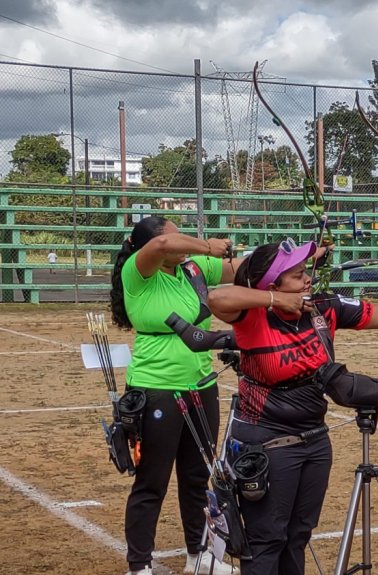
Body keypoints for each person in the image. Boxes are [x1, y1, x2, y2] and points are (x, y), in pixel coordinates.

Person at [207, 239, 378, 575]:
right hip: (267, 444)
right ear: (273, 285)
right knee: (265, 541)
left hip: (314, 440)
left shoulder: (322, 307)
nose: (307, 280)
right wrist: (277, 300)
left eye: (306, 272)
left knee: (297, 536)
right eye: (297, 275)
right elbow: (216, 297)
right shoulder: (253, 316)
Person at [110, 215, 239, 575]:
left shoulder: (193, 271)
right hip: (155, 388)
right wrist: (205, 244)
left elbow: (246, 268)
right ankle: (139, 565)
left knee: (198, 476)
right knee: (152, 479)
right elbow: (162, 245)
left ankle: (199, 555)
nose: (180, 241)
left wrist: (304, 255)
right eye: (177, 235)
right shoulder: (139, 273)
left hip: (201, 383)